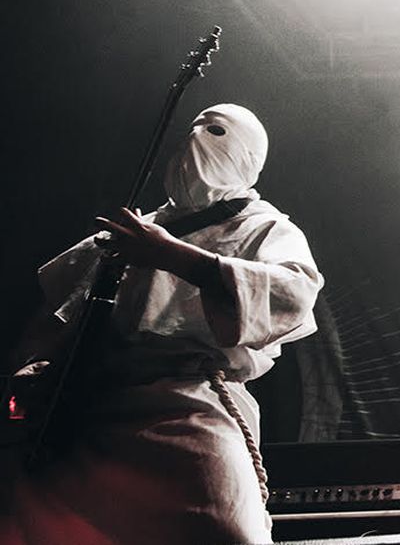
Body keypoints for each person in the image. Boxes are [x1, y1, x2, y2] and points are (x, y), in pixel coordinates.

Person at [5, 103, 323, 545]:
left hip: (192, 404)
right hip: (96, 407)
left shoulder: (265, 227)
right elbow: (55, 314)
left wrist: (172, 254)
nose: (195, 141)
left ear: (250, 156)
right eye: (190, 129)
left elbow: (293, 292)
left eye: (215, 131)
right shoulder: (138, 228)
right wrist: (33, 367)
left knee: (230, 531)